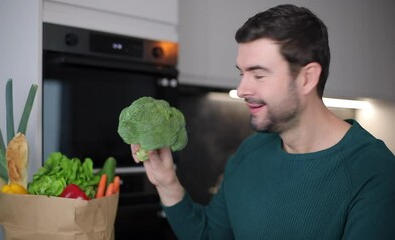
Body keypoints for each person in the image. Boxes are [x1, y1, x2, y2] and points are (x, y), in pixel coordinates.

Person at [131, 4, 395, 239]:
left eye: (258, 75)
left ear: (307, 78)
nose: (242, 89)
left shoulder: (373, 171)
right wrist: (167, 182)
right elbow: (210, 234)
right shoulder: (249, 153)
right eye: (242, 73)